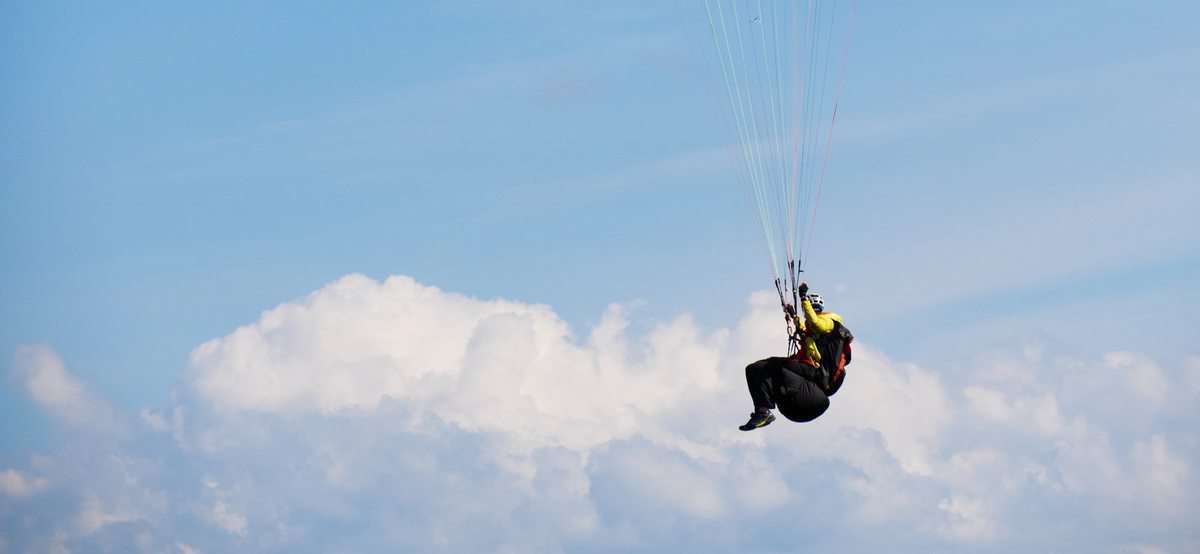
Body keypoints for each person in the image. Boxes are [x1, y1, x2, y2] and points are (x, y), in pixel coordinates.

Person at [739, 282, 851, 431]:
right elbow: (806, 328)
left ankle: (766, 409)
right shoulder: (812, 333)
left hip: (817, 374)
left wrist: (803, 297)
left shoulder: (831, 322)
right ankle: (762, 411)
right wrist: (793, 315)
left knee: (775, 364)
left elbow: (817, 324)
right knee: (755, 368)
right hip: (806, 376)